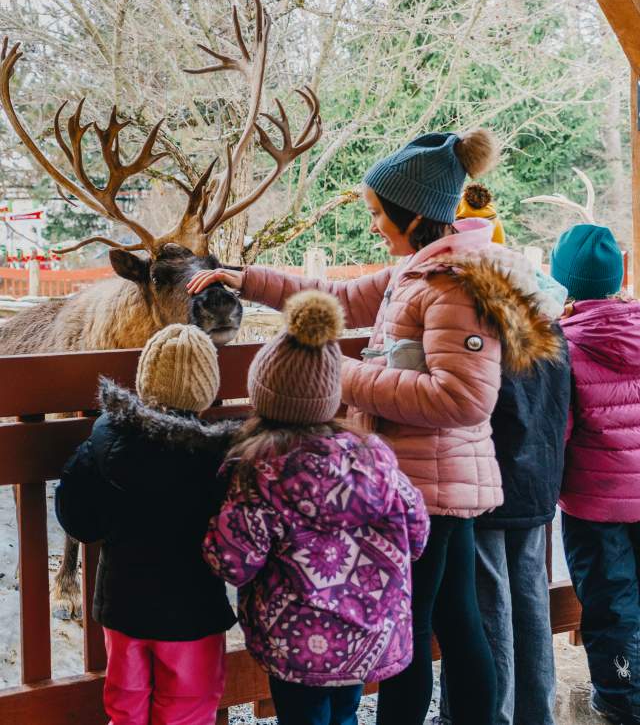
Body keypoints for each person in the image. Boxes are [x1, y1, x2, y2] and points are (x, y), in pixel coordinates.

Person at [189, 129, 562, 725]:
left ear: (413, 216)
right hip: (422, 478)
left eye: (377, 214)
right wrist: (245, 278)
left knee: (412, 628)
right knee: (455, 621)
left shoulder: (455, 286)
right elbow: (334, 294)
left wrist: (342, 372)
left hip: (429, 485)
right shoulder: (414, 272)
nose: (372, 225)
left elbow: (463, 398)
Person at [203, 290, 428, 725]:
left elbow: (233, 562)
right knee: (345, 714)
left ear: (265, 397)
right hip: (366, 633)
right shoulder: (375, 457)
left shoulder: (261, 471)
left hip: (296, 643)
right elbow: (416, 534)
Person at [55, 323, 237, 725]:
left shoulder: (104, 441)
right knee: (188, 709)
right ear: (206, 390)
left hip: (124, 608)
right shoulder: (219, 459)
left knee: (126, 707)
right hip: (194, 614)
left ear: (144, 380)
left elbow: (78, 520)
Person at [439, 268, 571, 725]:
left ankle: (489, 714)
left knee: (485, 603)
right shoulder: (551, 326)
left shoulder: (478, 331)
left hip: (488, 485)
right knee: (531, 597)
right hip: (537, 484)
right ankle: (537, 712)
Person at [550, 223, 640, 725]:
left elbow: (558, 431)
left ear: (561, 282)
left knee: (610, 604)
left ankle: (622, 697)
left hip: (595, 502)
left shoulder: (565, 345)